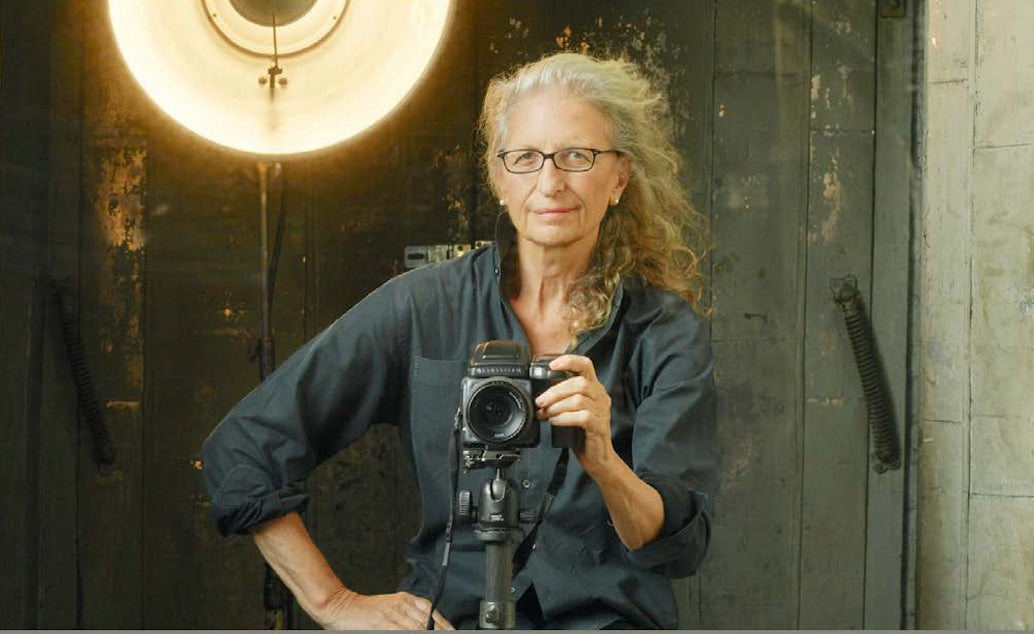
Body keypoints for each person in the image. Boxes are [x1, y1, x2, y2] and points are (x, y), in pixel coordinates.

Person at [200, 51, 717, 630]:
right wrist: (333, 602)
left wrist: (603, 461)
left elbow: (679, 544)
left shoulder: (664, 331)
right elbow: (243, 449)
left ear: (619, 176)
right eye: (525, 158)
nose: (550, 182)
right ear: (499, 178)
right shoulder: (423, 307)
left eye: (577, 155)